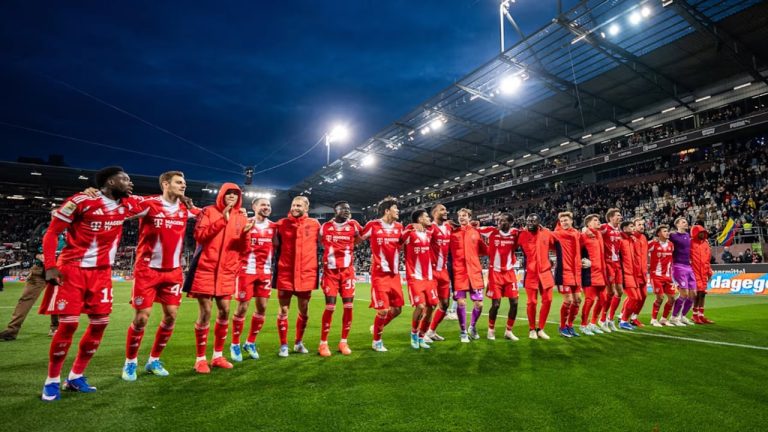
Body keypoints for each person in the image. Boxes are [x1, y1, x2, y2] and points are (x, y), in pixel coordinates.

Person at [38, 166, 140, 401]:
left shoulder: (128, 205)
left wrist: (182, 199)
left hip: (102, 273)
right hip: (72, 270)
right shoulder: (81, 201)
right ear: (111, 182)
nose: (130, 183)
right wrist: (50, 266)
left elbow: (158, 202)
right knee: (68, 326)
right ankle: (51, 381)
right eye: (125, 179)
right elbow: (52, 233)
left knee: (100, 324)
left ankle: (75, 376)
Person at [121, 171, 200, 380]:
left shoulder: (185, 208)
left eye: (184, 182)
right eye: (179, 182)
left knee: (171, 316)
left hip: (173, 272)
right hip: (147, 271)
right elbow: (120, 207)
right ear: (165, 184)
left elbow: (208, 215)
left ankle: (154, 360)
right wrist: (94, 193)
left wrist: (236, 211)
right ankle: (130, 362)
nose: (183, 185)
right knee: (141, 318)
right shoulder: (149, 204)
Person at [185, 183, 249, 373]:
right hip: (206, 268)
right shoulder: (208, 211)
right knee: (205, 312)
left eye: (235, 194)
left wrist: (245, 235)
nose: (232, 196)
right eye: (228, 193)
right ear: (222, 195)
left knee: (225, 311)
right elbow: (200, 236)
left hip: (227, 271)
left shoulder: (241, 217)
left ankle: (218, 356)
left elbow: (243, 249)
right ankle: (200, 359)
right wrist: (223, 219)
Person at [273, 196, 321, 357]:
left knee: (304, 310)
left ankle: (298, 342)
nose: (295, 208)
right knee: (283, 310)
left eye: (299, 205)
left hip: (306, 274)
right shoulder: (281, 224)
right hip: (285, 273)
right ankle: (283, 345)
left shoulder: (315, 224)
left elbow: (326, 241)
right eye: (293, 205)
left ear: (306, 208)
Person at [231, 197, 277, 361]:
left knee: (262, 307)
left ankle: (250, 342)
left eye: (268, 205)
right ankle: (235, 343)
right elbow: (234, 243)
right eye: (263, 204)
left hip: (265, 272)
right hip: (246, 271)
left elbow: (277, 245)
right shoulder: (246, 223)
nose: (266, 207)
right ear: (254, 207)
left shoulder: (274, 227)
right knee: (242, 308)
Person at [0, 222, 63, 341]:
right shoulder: (44, 227)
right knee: (26, 299)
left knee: (57, 298)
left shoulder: (71, 228)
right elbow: (31, 246)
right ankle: (11, 330)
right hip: (40, 269)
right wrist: (38, 255)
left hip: (60, 269)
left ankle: (55, 327)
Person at [318, 201, 362, 357]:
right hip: (330, 272)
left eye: (348, 209)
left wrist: (350, 247)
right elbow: (319, 241)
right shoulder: (325, 227)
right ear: (335, 210)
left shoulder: (354, 225)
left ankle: (343, 342)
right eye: (343, 209)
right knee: (330, 307)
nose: (347, 211)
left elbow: (360, 238)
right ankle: (323, 343)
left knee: (348, 307)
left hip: (347, 272)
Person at [361, 197, 404, 352]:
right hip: (379, 275)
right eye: (395, 208)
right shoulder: (373, 225)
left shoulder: (399, 227)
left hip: (394, 275)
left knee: (397, 310)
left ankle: (376, 327)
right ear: (387, 211)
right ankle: (376, 341)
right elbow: (358, 239)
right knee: (383, 310)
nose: (398, 211)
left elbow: (402, 244)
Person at [517, 214, 560, 340]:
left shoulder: (546, 233)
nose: (530, 223)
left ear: (539, 222)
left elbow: (559, 241)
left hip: (546, 272)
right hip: (531, 273)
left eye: (533, 221)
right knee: (532, 302)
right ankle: (532, 329)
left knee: (548, 300)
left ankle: (541, 329)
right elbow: (509, 241)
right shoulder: (521, 235)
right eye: (528, 221)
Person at [479, 213, 520, 341]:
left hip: (509, 273)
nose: (500, 223)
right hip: (495, 274)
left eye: (504, 221)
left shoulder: (515, 233)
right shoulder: (492, 231)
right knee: (496, 305)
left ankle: (509, 331)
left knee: (515, 303)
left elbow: (529, 234)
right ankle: (491, 330)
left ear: (511, 223)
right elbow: (474, 229)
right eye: (499, 220)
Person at [449, 208, 487, 342]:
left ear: (470, 217)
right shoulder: (453, 232)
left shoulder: (476, 232)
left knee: (479, 304)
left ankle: (472, 326)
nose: (461, 218)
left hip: (474, 272)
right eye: (459, 216)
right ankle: (463, 332)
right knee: (461, 302)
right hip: (459, 273)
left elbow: (485, 250)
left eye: (464, 215)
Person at [402, 209, 438, 349]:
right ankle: (414, 334)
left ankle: (422, 336)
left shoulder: (429, 233)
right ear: (419, 219)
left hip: (429, 278)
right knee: (420, 306)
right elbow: (398, 241)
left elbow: (442, 225)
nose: (429, 219)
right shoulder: (410, 233)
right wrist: (410, 226)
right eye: (426, 216)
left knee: (431, 307)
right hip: (415, 277)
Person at [424, 204, 453, 342]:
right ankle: (421, 333)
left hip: (444, 272)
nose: (445, 211)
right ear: (434, 213)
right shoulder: (430, 228)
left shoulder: (448, 228)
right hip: (432, 272)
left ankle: (431, 331)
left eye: (445, 209)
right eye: (442, 209)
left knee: (445, 304)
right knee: (430, 305)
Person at [553, 212, 583, 338]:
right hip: (563, 272)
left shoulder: (576, 233)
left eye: (566, 220)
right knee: (568, 300)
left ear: (571, 221)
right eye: (562, 221)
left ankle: (570, 326)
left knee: (577, 300)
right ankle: (562, 327)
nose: (564, 222)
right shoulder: (557, 234)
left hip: (576, 272)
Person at [579, 214, 607, 336]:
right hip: (589, 273)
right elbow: (576, 250)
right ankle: (583, 325)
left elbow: (612, 226)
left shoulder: (599, 234)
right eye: (595, 220)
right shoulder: (583, 235)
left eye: (599, 220)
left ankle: (593, 323)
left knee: (603, 299)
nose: (598, 221)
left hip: (601, 273)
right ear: (588, 224)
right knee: (589, 300)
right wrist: (580, 261)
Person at [599, 208, 624, 332]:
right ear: (611, 218)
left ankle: (610, 318)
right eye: (618, 215)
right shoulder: (604, 227)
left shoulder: (618, 230)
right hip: (607, 263)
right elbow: (590, 230)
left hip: (617, 264)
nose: (620, 217)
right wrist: (585, 230)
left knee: (620, 292)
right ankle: (602, 319)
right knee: (610, 292)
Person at [669, 217, 696, 326]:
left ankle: (682, 316)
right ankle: (673, 317)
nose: (686, 223)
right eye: (683, 222)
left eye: (686, 222)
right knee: (684, 293)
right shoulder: (672, 235)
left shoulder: (688, 236)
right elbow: (662, 237)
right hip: (678, 266)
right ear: (677, 225)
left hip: (689, 267)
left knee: (693, 294)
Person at [648, 225, 676, 327]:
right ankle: (653, 319)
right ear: (659, 233)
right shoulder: (653, 244)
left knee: (672, 299)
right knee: (660, 298)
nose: (667, 232)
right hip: (656, 276)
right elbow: (641, 250)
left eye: (667, 231)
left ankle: (663, 319)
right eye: (664, 231)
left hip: (668, 276)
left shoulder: (671, 245)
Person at [617, 221, 640, 331]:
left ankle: (622, 318)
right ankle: (623, 321)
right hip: (624, 273)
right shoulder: (620, 240)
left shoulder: (631, 240)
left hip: (632, 273)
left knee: (636, 298)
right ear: (625, 228)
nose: (633, 228)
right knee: (634, 297)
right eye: (631, 226)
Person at [691, 225, 714, 324]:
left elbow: (708, 259)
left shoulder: (706, 243)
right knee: (698, 293)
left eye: (704, 233)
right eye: (701, 233)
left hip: (704, 271)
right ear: (695, 233)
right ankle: (694, 315)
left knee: (703, 293)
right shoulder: (690, 242)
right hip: (694, 271)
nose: (703, 234)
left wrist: (709, 270)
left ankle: (701, 315)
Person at [628, 218, 649, 327]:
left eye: (642, 224)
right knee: (635, 297)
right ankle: (623, 316)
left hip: (643, 272)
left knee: (644, 296)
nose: (641, 226)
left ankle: (634, 317)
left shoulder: (644, 237)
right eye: (639, 224)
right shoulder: (630, 237)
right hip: (634, 273)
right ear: (634, 226)